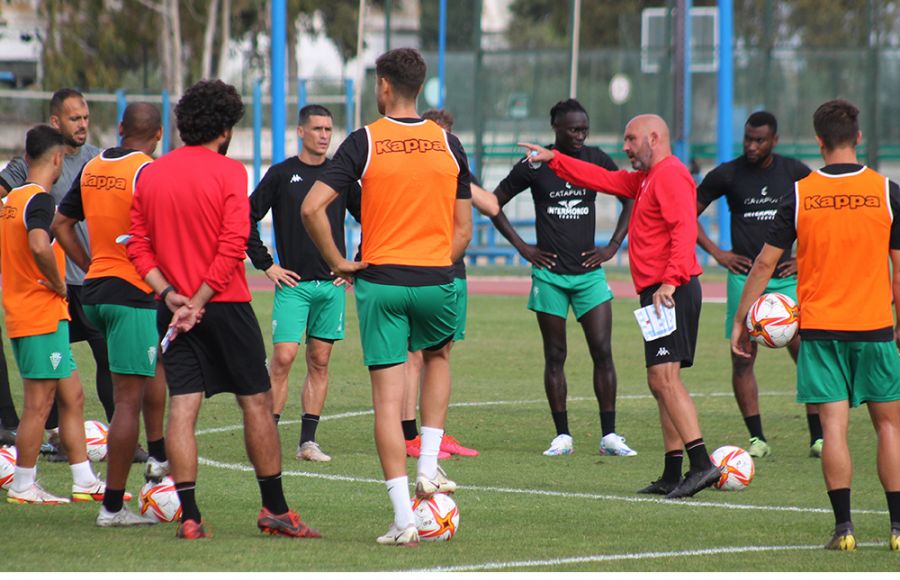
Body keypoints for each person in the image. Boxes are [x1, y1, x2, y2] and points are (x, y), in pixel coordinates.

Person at [127, 80, 320, 540]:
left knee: (183, 408)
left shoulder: (151, 174)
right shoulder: (230, 172)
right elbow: (233, 244)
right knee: (255, 401)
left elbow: (136, 242)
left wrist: (170, 295)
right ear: (226, 128)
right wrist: (197, 300)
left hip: (173, 310)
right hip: (224, 305)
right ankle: (274, 509)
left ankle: (190, 517)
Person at [302, 48, 472, 546]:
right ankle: (430, 465)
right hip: (436, 278)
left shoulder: (365, 141)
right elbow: (463, 228)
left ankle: (403, 520)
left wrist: (337, 262)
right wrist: (439, 258)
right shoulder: (449, 142)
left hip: (380, 281)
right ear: (419, 88)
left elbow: (314, 208)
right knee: (438, 357)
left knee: (386, 397)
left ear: (382, 86)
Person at [731, 99, 900, 552]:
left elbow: (766, 263)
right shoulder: (888, 192)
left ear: (819, 141)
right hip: (876, 327)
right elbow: (899, 269)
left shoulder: (801, 193)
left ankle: (844, 529)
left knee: (835, 429)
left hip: (822, 331)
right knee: (889, 428)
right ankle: (898, 529)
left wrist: (742, 319)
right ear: (858, 139)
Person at [522, 114, 719, 499]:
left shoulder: (672, 175)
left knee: (665, 381)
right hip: (659, 293)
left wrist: (669, 280)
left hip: (671, 291)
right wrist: (554, 160)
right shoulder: (645, 179)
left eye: (631, 140)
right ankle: (672, 471)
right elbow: (601, 179)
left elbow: (684, 228)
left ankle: (702, 465)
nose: (625, 147)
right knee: (660, 382)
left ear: (655, 138)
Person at [490, 98, 636, 457]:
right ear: (556, 128)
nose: (580, 135)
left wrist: (614, 244)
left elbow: (630, 195)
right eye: (573, 129)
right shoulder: (536, 165)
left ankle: (610, 436)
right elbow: (494, 202)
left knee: (603, 351)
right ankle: (563, 436)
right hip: (549, 276)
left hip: (589, 275)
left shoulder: (596, 158)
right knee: (555, 354)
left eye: (584, 128)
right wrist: (524, 247)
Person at [53, 102, 168, 526]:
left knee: (154, 369)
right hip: (132, 292)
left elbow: (61, 223)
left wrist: (88, 263)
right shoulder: (149, 171)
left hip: (95, 291)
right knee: (125, 401)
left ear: (120, 128)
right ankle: (114, 507)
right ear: (159, 134)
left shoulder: (93, 165)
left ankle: (158, 458)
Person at [0, 88, 121, 462]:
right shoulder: (28, 169)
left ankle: (120, 432)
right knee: (53, 378)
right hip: (52, 285)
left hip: (88, 279)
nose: (83, 125)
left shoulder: (95, 160)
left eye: (85, 117)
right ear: (56, 122)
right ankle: (50, 443)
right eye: (74, 119)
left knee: (107, 359)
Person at [696, 111, 821, 459]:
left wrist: (804, 259)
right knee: (741, 358)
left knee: (805, 354)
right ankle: (757, 439)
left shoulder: (795, 173)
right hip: (745, 278)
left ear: (774, 141)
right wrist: (718, 254)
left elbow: (821, 218)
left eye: (759, 140)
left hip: (787, 280)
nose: (752, 146)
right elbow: (685, 211)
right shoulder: (728, 173)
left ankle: (818, 438)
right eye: (748, 139)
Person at [247, 104, 360, 462]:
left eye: (328, 129)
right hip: (293, 285)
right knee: (283, 357)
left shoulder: (341, 177)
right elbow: (245, 218)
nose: (324, 135)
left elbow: (372, 216)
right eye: (317, 129)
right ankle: (269, 436)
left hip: (331, 287)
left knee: (320, 360)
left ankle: (307, 442)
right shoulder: (282, 174)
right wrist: (266, 265)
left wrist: (353, 264)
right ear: (301, 132)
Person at [401, 107, 499, 460]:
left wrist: (456, 176)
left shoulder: (454, 170)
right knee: (413, 356)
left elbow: (491, 204)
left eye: (447, 135)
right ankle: (409, 436)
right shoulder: (414, 174)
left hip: (453, 272)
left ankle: (433, 433)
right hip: (420, 269)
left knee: (439, 355)